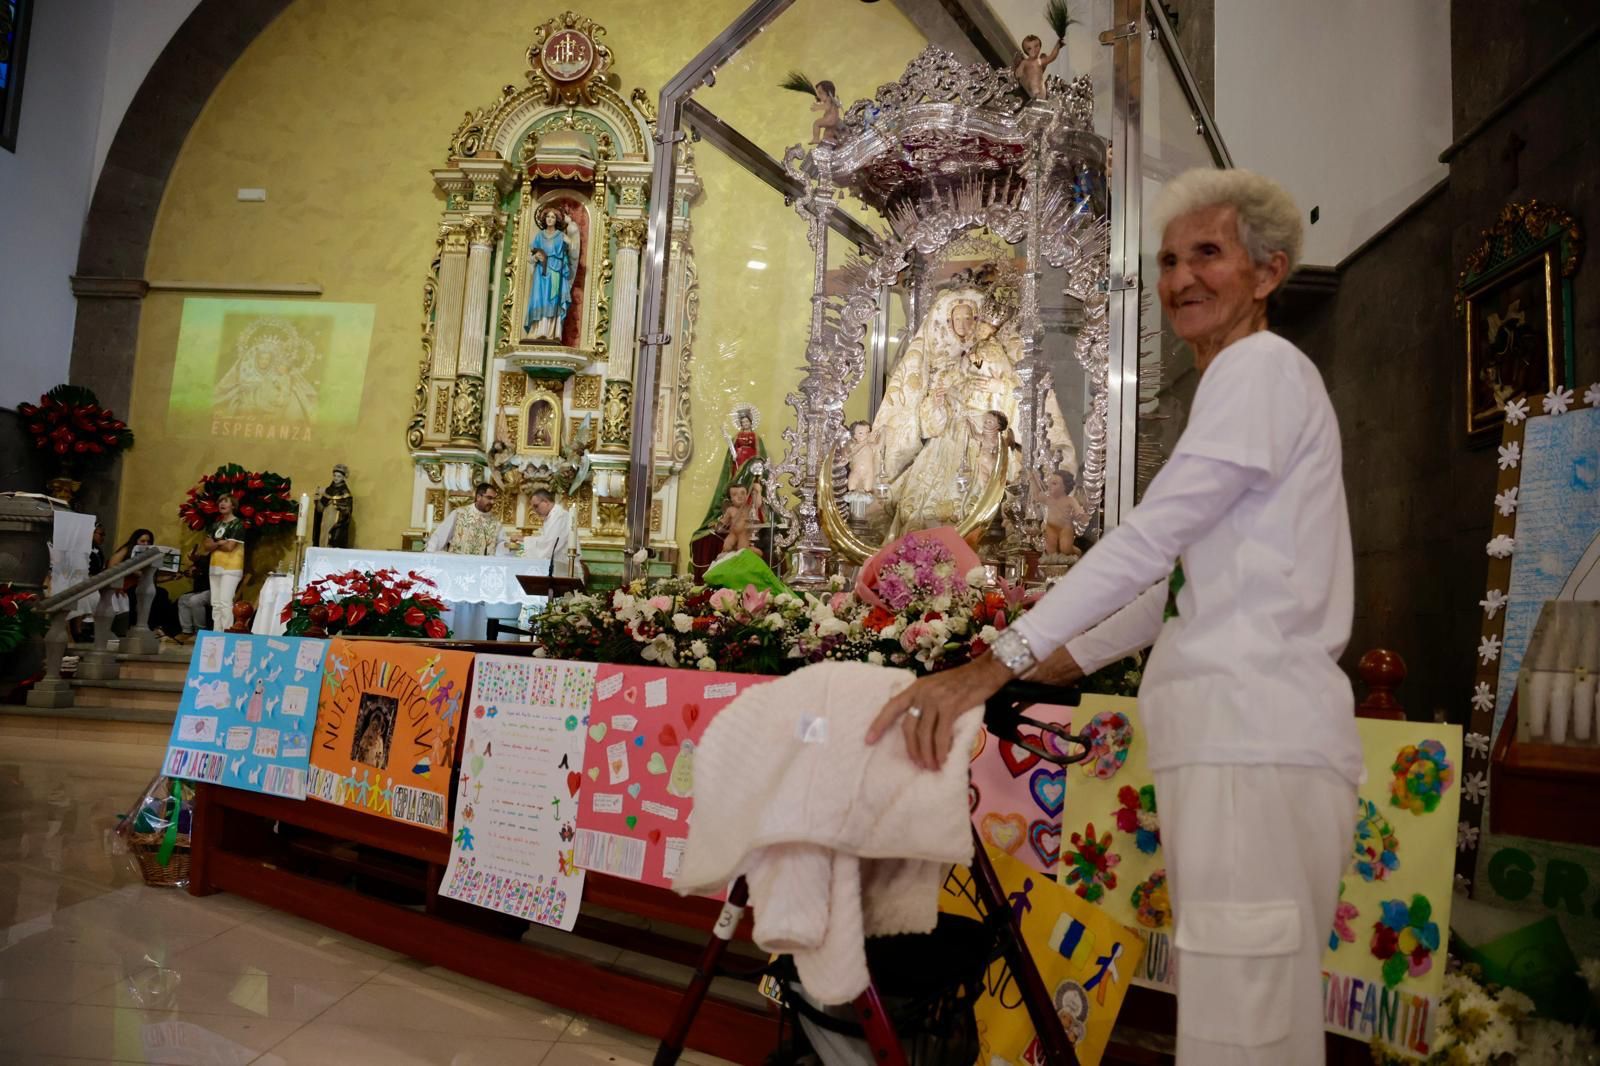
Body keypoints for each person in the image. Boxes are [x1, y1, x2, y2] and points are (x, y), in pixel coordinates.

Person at [869, 168, 1359, 1066]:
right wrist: (1062, 658)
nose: (1180, 279)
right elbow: (1179, 580)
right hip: (1249, 738)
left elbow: (1152, 537)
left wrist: (995, 662)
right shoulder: (1247, 383)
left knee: (1237, 1025)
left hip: (1252, 738)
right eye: (1169, 260)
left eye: (1207, 254)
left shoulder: (1259, 369)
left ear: (1268, 271)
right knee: (1258, 1014)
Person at [524, 206, 579, 340]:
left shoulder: (561, 236)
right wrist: (535, 257)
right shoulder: (539, 236)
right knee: (538, 298)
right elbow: (530, 256)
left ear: (557, 220)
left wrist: (569, 224)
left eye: (553, 217)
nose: (550, 219)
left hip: (555, 271)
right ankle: (537, 330)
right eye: (548, 217)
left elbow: (573, 246)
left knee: (552, 299)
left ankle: (551, 332)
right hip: (541, 271)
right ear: (544, 219)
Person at [426, 482, 510, 556]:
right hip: (458, 567)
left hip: (482, 569)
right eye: (489, 498)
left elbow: (502, 546)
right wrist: (428, 556)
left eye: (494, 499)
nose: (492, 502)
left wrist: (510, 543)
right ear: (478, 497)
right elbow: (439, 536)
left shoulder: (496, 523)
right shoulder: (459, 514)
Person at [204, 495, 247, 631]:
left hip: (231, 567)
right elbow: (206, 545)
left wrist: (216, 543)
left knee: (225, 602)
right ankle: (216, 632)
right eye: (220, 501)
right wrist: (220, 542)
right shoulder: (216, 525)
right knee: (215, 603)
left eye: (226, 501)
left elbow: (230, 547)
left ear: (233, 506)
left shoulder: (238, 524)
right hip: (215, 566)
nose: (222, 504)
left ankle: (227, 632)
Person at [522, 489, 577, 576]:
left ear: (546, 502)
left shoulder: (559, 516)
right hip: (557, 567)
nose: (535, 510)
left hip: (564, 569)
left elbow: (550, 544)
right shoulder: (551, 517)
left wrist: (524, 540)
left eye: (536, 506)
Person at [716, 478, 765, 558]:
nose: (739, 496)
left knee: (742, 549)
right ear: (730, 499)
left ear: (747, 495)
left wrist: (758, 491)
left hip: (745, 533)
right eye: (735, 495)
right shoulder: (730, 510)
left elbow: (758, 504)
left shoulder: (749, 508)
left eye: (743, 493)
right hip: (733, 533)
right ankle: (727, 556)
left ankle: (752, 551)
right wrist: (719, 526)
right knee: (727, 546)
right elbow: (723, 521)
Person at [313, 464, 354, 548]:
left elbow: (347, 510)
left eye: (339, 476)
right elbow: (320, 509)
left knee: (332, 538)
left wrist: (337, 505)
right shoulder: (328, 490)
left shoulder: (345, 492)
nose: (336, 478)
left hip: (336, 520)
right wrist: (318, 499)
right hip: (326, 518)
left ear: (343, 478)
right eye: (335, 476)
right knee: (324, 536)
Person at [1013, 34, 1065, 99]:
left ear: (1040, 46)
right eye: (1029, 48)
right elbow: (1018, 74)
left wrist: (1058, 46)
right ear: (1026, 51)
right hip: (1031, 90)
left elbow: (1052, 57)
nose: (1033, 50)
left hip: (1041, 90)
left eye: (1036, 46)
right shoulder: (1025, 62)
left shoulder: (1040, 61)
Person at [810, 79, 841, 145]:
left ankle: (816, 139)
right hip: (834, 121)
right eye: (818, 93)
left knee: (816, 123)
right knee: (827, 136)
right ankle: (835, 143)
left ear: (828, 92)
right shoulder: (832, 99)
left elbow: (827, 107)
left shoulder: (829, 99)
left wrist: (817, 107)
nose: (818, 96)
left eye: (820, 93)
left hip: (830, 119)